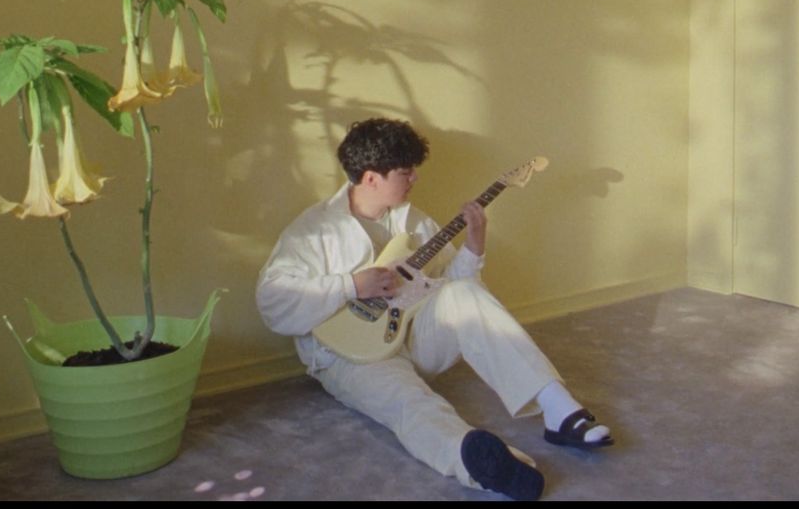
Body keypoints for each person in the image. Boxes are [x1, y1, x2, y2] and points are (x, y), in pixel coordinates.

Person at [256, 118, 612, 500]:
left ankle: (558, 409)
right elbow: (272, 299)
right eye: (405, 172)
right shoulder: (314, 230)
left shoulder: (414, 221)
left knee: (465, 298)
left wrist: (475, 243)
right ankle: (480, 463)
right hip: (349, 354)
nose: (414, 180)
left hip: (412, 336)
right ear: (371, 178)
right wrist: (351, 285)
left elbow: (456, 286)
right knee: (409, 403)